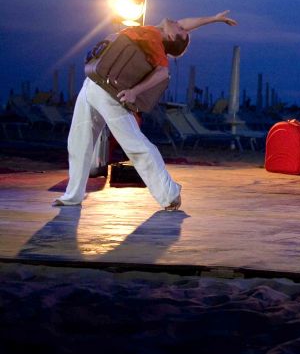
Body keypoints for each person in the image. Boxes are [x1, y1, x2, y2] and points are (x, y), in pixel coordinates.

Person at [53, 11, 238, 210]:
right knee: (78, 142)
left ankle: (170, 193)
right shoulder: (158, 31)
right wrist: (213, 19)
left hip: (109, 92)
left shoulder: (156, 41)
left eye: (181, 29)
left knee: (136, 145)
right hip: (92, 84)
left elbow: (163, 73)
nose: (180, 23)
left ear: (172, 37)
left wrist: (134, 92)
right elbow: (185, 23)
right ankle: (73, 196)